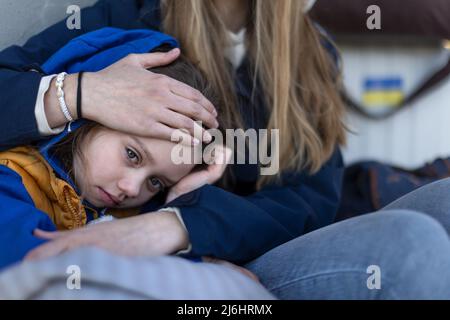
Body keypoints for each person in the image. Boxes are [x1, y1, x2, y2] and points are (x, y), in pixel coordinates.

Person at [1, 0, 450, 299]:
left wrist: (180, 225)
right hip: (198, 269)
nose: (130, 184)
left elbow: (312, 200)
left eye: (151, 177)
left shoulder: (313, 54)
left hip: (241, 250)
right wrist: (82, 93)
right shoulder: (128, 18)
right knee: (414, 243)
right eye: (133, 157)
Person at [0, 36, 232, 270]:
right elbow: (40, 278)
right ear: (91, 117)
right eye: (132, 154)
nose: (131, 189)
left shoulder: (135, 212)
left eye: (155, 182)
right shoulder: (12, 180)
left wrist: (182, 200)